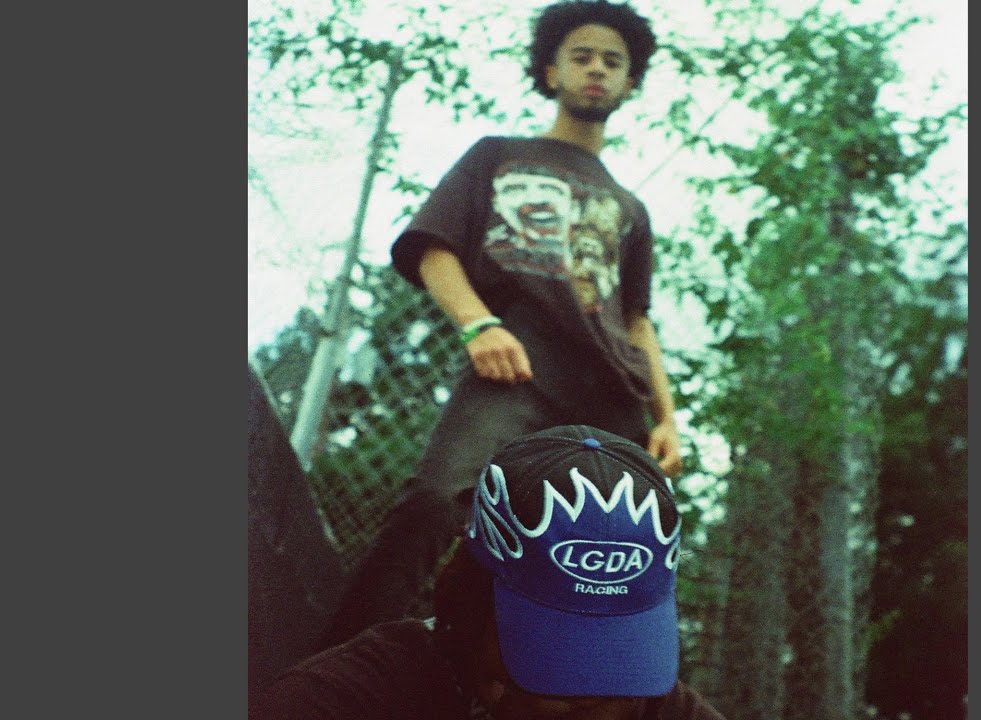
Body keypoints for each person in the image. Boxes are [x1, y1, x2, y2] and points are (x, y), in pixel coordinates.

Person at [318, 0, 684, 648]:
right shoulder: (499, 156)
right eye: (582, 56)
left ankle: (547, 686)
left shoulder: (631, 208)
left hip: (611, 395)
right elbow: (433, 249)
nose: (597, 69)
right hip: (519, 360)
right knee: (437, 501)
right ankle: (335, 670)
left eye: (613, 61)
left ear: (630, 83)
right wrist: (477, 324)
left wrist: (668, 418)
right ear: (551, 71)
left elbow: (636, 319)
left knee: (604, 553)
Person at [251, 426, 726, 719]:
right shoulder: (350, 699)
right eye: (556, 658)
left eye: (617, 658)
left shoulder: (656, 708)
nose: (589, 701)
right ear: (471, 606)